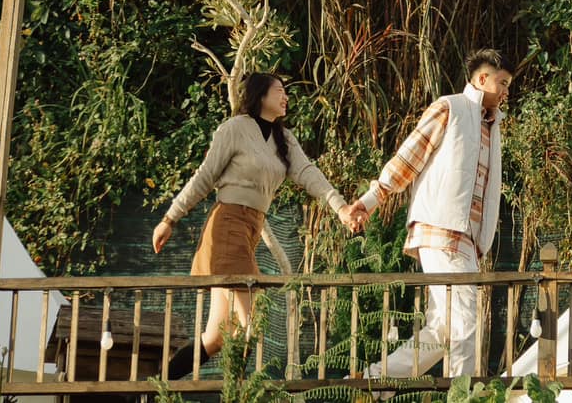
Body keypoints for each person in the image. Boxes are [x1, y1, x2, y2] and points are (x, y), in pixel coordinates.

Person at [152, 73, 358, 378]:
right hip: (227, 227)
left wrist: (341, 208)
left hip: (248, 233)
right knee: (252, 323)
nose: (285, 97)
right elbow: (205, 176)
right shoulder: (235, 129)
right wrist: (170, 218)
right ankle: (240, 393)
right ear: (260, 95)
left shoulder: (283, 139)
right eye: (279, 91)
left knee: (217, 339)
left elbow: (309, 174)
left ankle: (154, 387)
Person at [348, 49, 512, 379]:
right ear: (482, 79)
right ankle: (463, 400)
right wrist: (369, 200)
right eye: (502, 82)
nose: (507, 90)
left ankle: (371, 381)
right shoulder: (450, 107)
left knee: (442, 332)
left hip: (467, 241)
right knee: (466, 324)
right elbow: (408, 158)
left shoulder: (492, 127)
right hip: (442, 231)